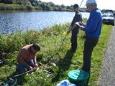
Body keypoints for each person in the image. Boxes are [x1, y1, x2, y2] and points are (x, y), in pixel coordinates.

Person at [76, 0, 102, 72]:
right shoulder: (96, 12)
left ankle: (85, 70)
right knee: (87, 53)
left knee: (87, 54)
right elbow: (91, 25)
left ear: (92, 5)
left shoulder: (95, 14)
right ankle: (85, 67)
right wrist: (83, 24)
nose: (86, 8)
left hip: (91, 38)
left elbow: (91, 29)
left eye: (87, 6)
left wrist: (80, 27)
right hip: (93, 38)